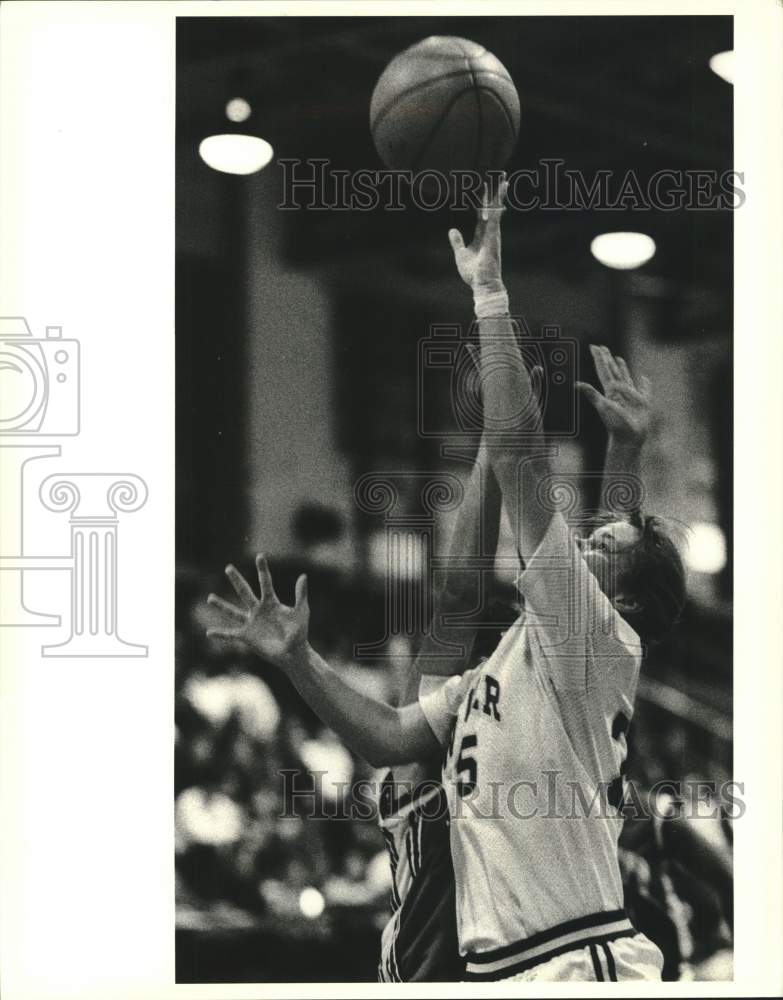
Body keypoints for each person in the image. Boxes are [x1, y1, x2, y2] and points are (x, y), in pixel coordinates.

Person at [207, 178, 687, 982]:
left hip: (566, 955)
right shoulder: (495, 679)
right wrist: (296, 657)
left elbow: (535, 561)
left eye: (594, 546)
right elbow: (397, 723)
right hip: (494, 965)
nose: (576, 543)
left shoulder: (583, 641)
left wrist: (491, 300)